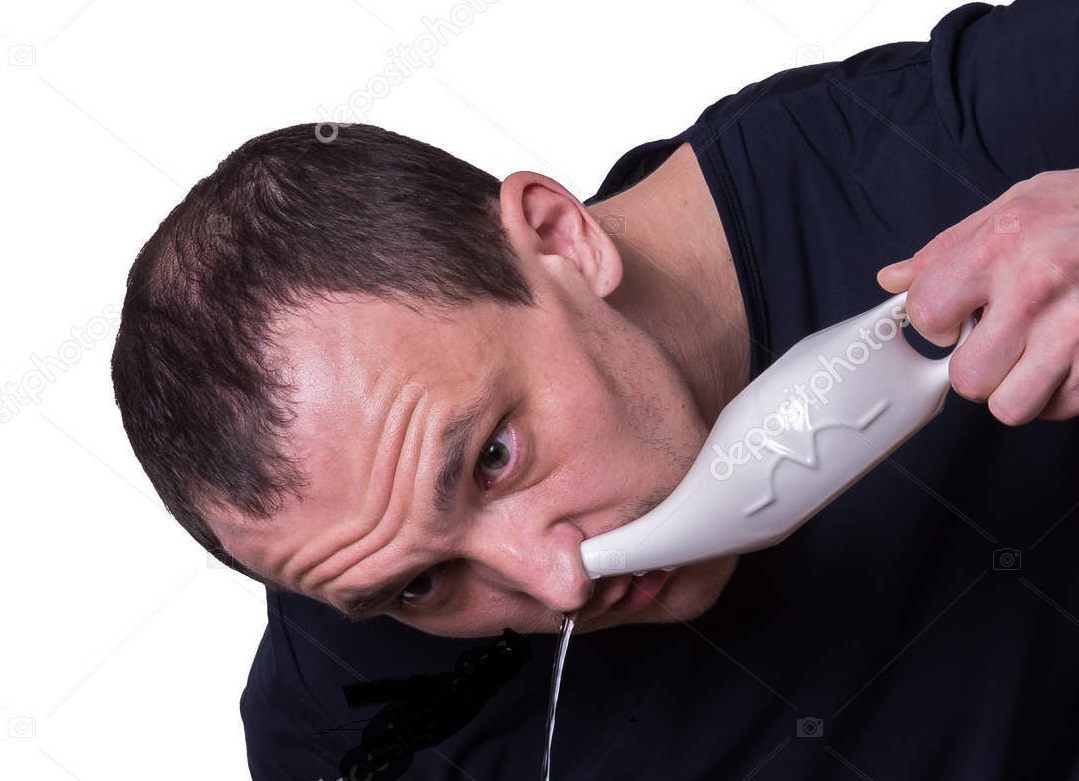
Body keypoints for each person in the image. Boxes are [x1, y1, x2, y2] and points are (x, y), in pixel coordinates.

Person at [111, 0, 1079, 777]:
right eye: (420, 585)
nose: (559, 585)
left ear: (558, 239)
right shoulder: (349, 723)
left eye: (493, 458)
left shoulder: (973, 136)